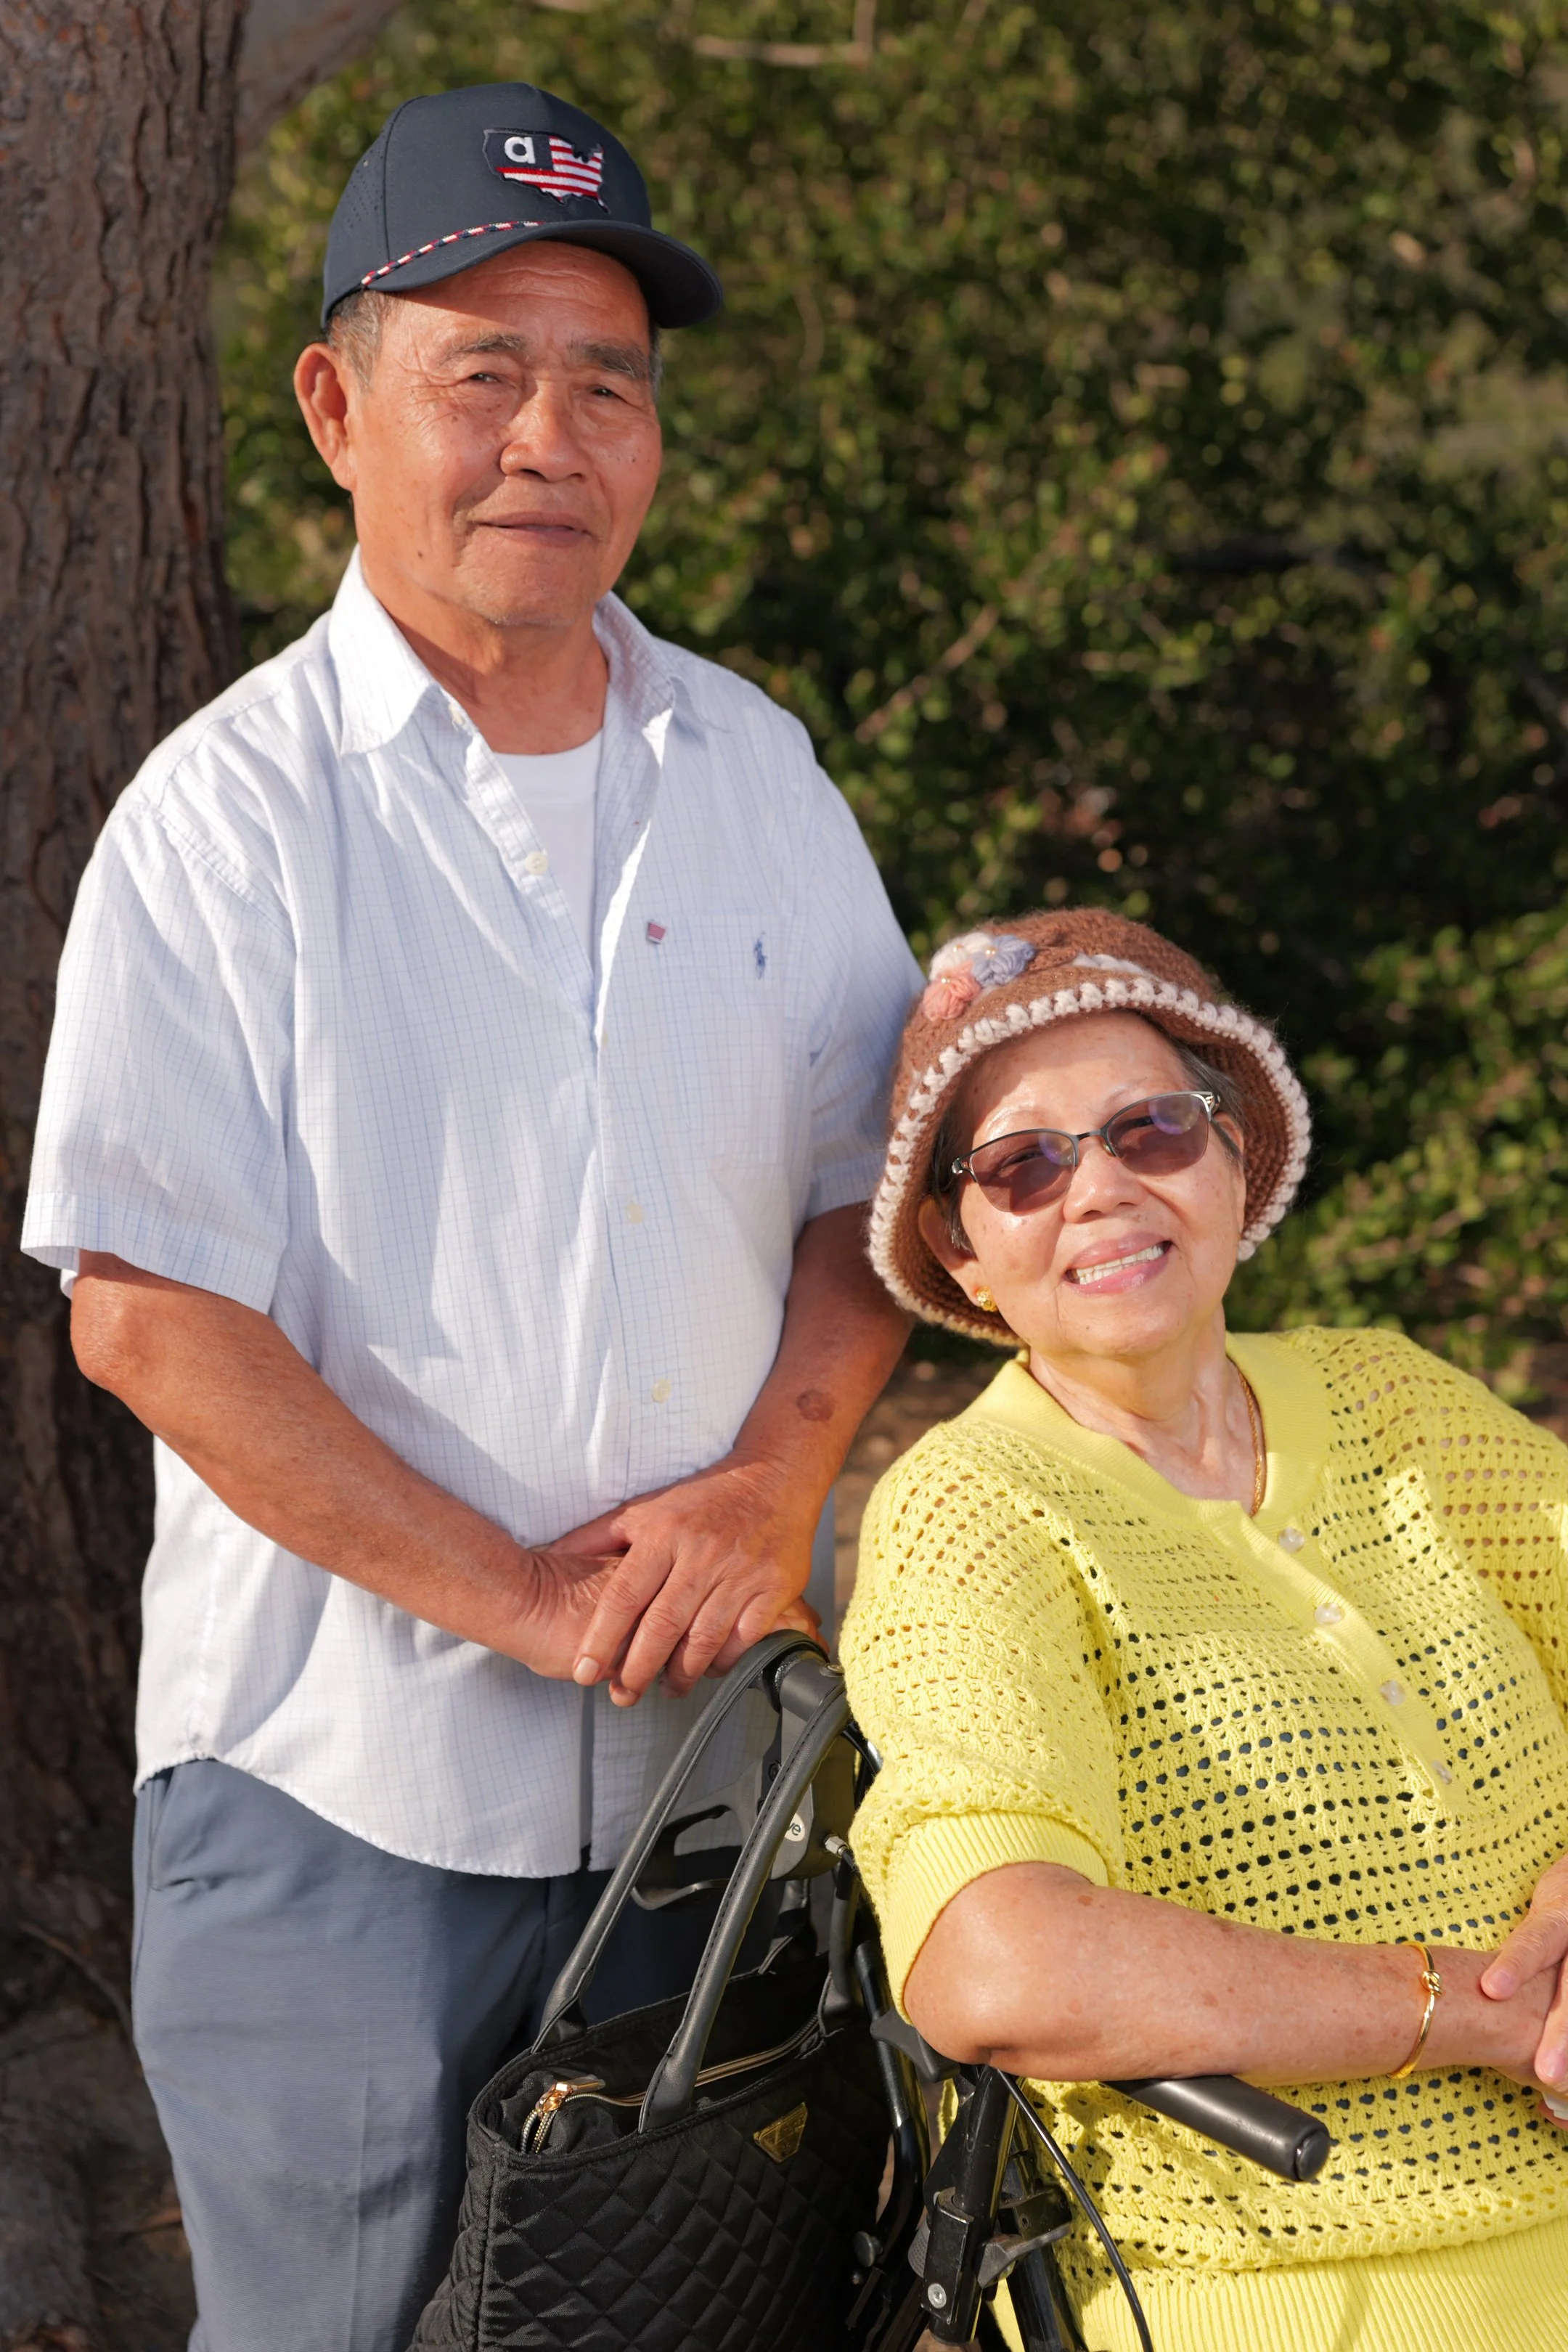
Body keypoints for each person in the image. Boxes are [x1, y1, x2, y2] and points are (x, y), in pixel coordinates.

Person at [22, 82, 918, 2352]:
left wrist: (773, 1482)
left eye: (606, 381)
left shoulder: (760, 774)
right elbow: (151, 1319)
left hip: (698, 1789)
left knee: (687, 2320)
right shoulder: (222, 823)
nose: (553, 435)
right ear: (338, 405)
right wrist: (517, 1600)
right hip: (339, 1794)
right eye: (483, 372)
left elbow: (863, 1196)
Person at [841, 905, 1568, 2352]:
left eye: (1151, 1131)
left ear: (1234, 1158)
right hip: (1291, 2292)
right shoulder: (973, 1510)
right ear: (961, 1246)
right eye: (1023, 1164)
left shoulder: (1393, 1400)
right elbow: (999, 1961)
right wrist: (1480, 2012)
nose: (1099, 1189)